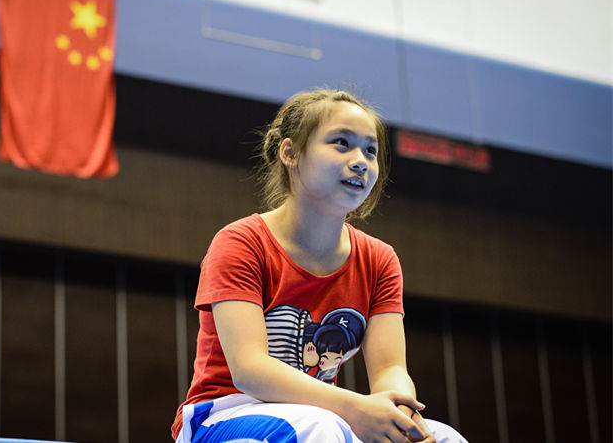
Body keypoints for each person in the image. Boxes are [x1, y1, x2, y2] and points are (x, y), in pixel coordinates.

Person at [171, 89, 467, 442]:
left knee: (444, 438)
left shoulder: (379, 260)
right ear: (291, 153)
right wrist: (356, 409)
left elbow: (390, 368)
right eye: (341, 143)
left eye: (370, 150)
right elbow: (250, 370)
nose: (360, 160)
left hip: (324, 415)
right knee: (322, 429)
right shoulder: (241, 243)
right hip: (223, 415)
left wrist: (399, 416)